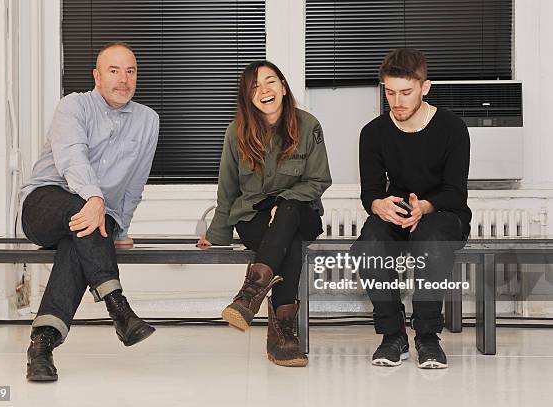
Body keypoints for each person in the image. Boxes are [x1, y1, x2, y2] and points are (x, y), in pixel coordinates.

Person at [20, 42, 159, 381]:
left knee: (80, 239)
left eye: (130, 71)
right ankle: (117, 305)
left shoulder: (148, 121)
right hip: (44, 205)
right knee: (90, 219)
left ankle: (42, 346)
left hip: (92, 223)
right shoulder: (73, 107)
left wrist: (121, 230)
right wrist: (95, 199)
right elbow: (72, 158)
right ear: (97, 76)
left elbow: (134, 185)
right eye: (114, 71)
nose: (123, 79)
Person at [198, 60, 332, 367]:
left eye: (270, 82)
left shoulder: (308, 125)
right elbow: (227, 189)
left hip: (302, 211)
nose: (264, 90)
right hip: (254, 218)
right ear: (248, 97)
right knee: (289, 244)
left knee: (289, 214)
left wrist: (283, 203)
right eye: (255, 86)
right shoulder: (236, 132)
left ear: (283, 88)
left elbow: (318, 181)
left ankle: (249, 296)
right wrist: (216, 234)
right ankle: (283, 335)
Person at [354, 48, 471, 369]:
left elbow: (456, 193)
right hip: (398, 212)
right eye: (390, 92)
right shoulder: (373, 133)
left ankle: (427, 335)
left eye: (406, 92)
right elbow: (371, 194)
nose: (397, 101)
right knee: (369, 247)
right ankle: (392, 335)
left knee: (432, 242)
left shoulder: (452, 128)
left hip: (443, 213)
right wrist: (379, 205)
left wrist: (426, 206)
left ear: (425, 87)